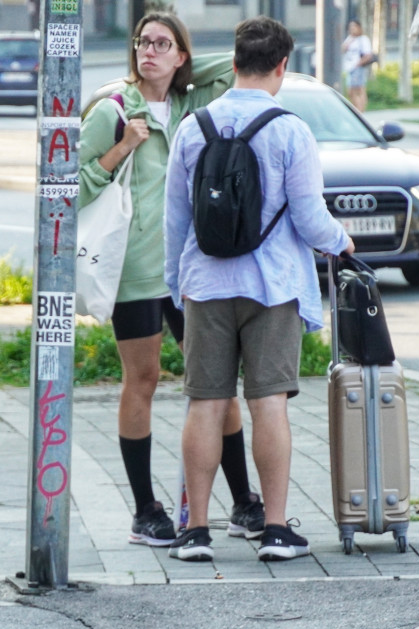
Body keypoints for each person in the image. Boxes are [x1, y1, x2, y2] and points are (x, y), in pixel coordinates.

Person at [164, 16, 354, 562]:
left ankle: (195, 532)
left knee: (205, 403)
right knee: (269, 403)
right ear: (281, 66)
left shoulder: (192, 128)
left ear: (233, 64)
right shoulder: (290, 129)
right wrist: (342, 243)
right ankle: (274, 530)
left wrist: (179, 287)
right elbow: (311, 218)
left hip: (205, 283)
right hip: (272, 286)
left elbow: (174, 222)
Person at [78, 11, 266, 550]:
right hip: (136, 270)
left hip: (187, 268)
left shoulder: (190, 104)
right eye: (142, 42)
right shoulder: (113, 110)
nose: (149, 51)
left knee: (214, 382)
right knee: (144, 379)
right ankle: (145, 510)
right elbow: (67, 185)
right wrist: (122, 147)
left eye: (162, 44)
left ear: (181, 55)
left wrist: (180, 67)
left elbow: (231, 71)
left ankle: (244, 503)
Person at [342, 19, 375, 112]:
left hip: (358, 68)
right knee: (350, 91)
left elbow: (368, 55)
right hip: (349, 68)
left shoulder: (363, 39)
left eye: (354, 27)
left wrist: (358, 63)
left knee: (359, 89)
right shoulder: (350, 39)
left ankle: (361, 110)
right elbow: (343, 49)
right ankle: (356, 109)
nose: (352, 29)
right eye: (350, 27)